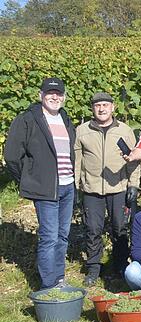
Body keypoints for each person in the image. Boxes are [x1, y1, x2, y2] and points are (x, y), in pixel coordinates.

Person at [3, 77, 76, 290]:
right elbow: (12, 155)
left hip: (68, 186)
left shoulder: (65, 119)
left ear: (64, 97)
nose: (54, 97)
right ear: (40, 95)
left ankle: (59, 279)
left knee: (62, 236)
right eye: (50, 93)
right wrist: (29, 178)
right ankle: (48, 284)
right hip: (45, 189)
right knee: (50, 237)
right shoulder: (27, 119)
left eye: (58, 93)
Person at [74, 92, 140, 286]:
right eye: (97, 106)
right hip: (91, 189)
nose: (101, 109)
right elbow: (77, 161)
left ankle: (120, 265)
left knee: (120, 229)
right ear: (92, 109)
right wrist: (75, 186)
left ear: (113, 107)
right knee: (92, 229)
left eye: (105, 105)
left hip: (118, 187)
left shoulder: (125, 130)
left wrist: (133, 185)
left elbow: (133, 161)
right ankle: (94, 267)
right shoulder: (82, 131)